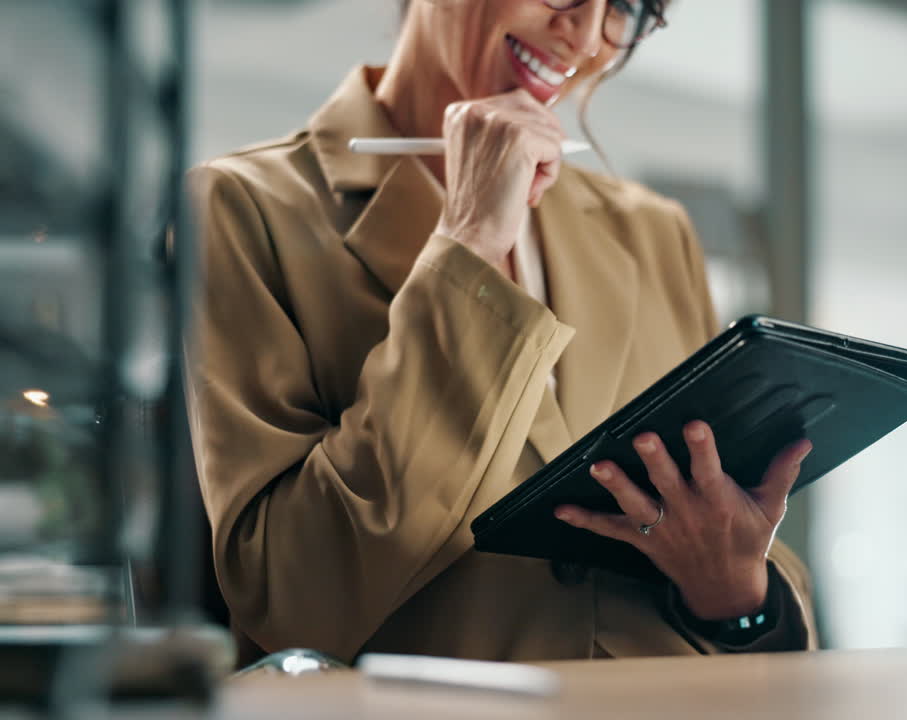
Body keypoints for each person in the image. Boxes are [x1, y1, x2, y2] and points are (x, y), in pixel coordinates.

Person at [186, 0, 818, 666]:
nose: (585, 30)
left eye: (626, 6)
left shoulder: (653, 232)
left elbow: (747, 560)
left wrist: (739, 592)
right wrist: (468, 243)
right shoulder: (242, 208)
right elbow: (289, 601)